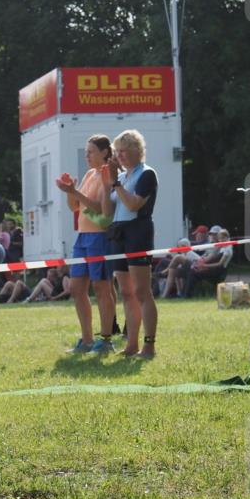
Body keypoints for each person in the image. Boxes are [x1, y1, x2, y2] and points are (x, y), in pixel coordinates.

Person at [55, 134, 117, 354]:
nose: (87, 156)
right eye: (86, 152)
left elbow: (100, 208)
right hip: (82, 236)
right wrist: (69, 191)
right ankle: (87, 339)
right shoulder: (90, 174)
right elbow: (75, 206)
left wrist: (75, 192)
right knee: (76, 288)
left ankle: (106, 340)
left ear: (104, 152)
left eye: (91, 152)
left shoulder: (108, 175)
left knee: (101, 287)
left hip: (99, 236)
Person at [101, 129, 159, 358]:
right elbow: (107, 211)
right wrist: (107, 184)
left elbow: (134, 204)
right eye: (117, 152)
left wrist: (116, 183)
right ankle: (131, 344)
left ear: (137, 151)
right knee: (126, 292)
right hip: (119, 232)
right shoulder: (123, 178)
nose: (119, 156)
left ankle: (149, 345)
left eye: (124, 151)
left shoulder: (146, 174)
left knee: (142, 291)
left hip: (138, 232)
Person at [182, 227, 233, 298]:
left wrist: (204, 266)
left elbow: (220, 264)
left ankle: (187, 296)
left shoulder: (227, 249)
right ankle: (184, 294)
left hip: (218, 271)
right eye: (220, 238)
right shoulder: (223, 247)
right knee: (192, 270)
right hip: (213, 269)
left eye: (223, 238)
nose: (221, 240)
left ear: (227, 238)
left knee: (193, 273)